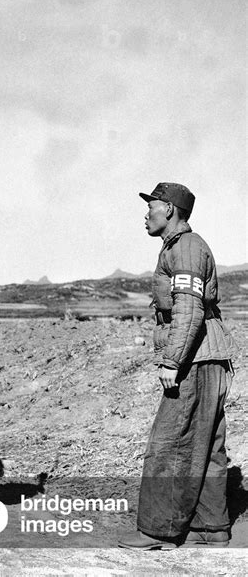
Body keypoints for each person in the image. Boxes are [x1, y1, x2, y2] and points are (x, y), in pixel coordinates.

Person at [119, 182, 236, 550]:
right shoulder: (183, 246)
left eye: (151, 205)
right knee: (206, 445)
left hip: (194, 360)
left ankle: (157, 530)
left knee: (171, 443)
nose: (146, 213)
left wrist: (172, 361)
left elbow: (188, 309)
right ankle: (210, 527)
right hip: (208, 359)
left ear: (169, 209)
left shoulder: (185, 248)